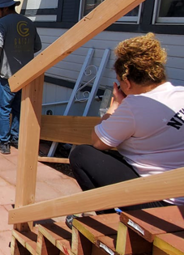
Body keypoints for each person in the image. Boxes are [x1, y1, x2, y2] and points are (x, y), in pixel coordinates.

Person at [69, 34, 184, 207]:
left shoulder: (134, 106)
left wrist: (114, 107)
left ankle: (108, 219)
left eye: (119, 82)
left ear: (127, 83)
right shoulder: (180, 93)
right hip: (178, 190)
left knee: (81, 154)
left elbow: (98, 142)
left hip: (161, 201)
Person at [0, 0, 42, 154]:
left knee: (3, 109)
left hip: (8, 76)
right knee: (18, 108)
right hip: (26, 75)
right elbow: (37, 46)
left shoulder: (1, 24)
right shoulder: (28, 23)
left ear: (5, 8)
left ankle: (4, 142)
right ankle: (15, 138)